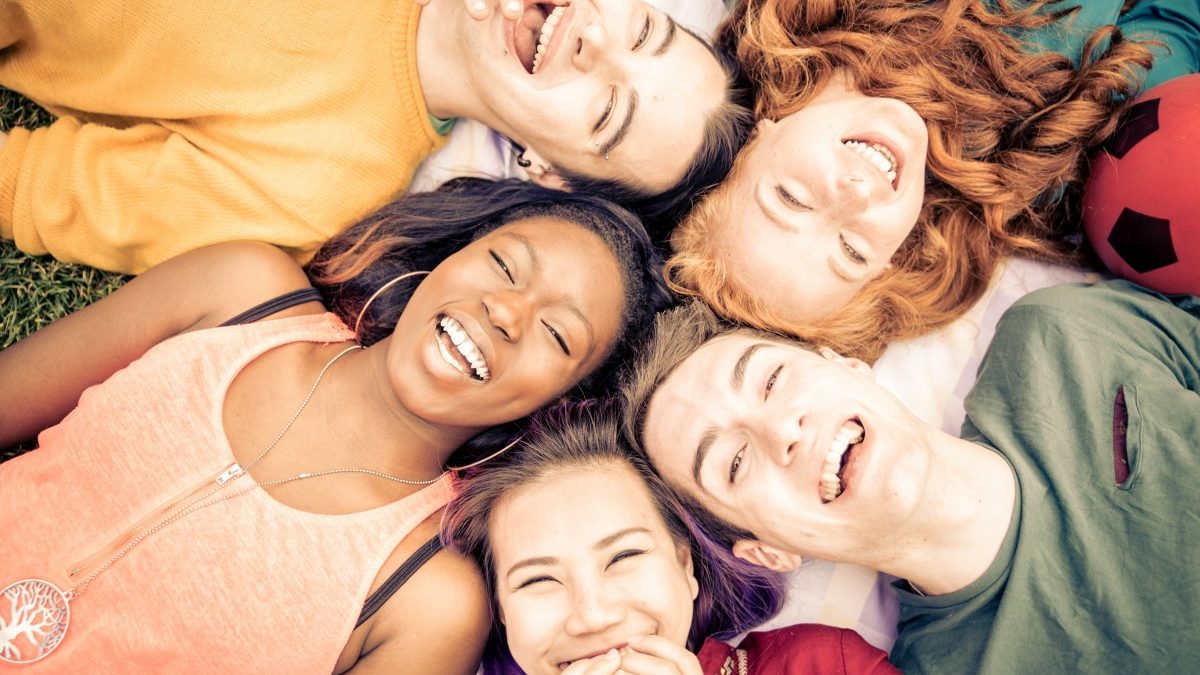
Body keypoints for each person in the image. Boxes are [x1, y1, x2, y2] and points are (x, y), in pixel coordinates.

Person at [0, 177, 671, 672]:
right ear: (456, 251)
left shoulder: (428, 601)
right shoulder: (238, 293)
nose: (507, 312)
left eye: (556, 334)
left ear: (560, 400)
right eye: (503, 265)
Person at [620, 282, 1200, 673]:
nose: (782, 430)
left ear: (844, 364)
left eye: (772, 380)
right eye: (734, 463)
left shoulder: (1061, 334)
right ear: (769, 552)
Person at [0, 0, 751, 274]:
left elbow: (31, 188)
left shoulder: (314, 188)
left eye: (606, 114)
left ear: (544, 168)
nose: (597, 44)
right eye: (642, 31)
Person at [665, 0, 1200, 361]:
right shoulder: (1047, 168)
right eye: (852, 251)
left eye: (791, 198)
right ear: (892, 259)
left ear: (755, 135)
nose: (855, 194)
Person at [443, 402, 897, 674]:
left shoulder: (822, 664)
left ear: (685, 565)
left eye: (623, 556)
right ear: (501, 611)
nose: (594, 616)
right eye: (538, 580)